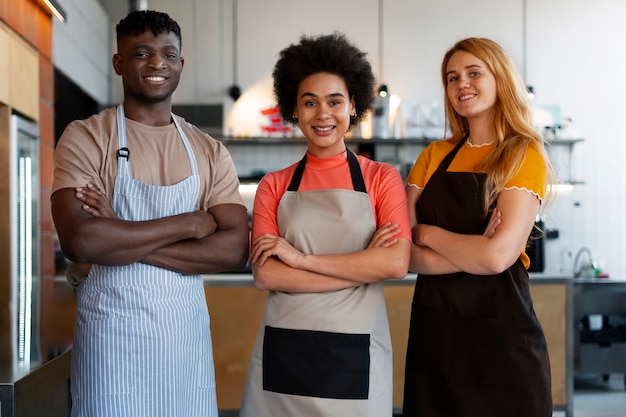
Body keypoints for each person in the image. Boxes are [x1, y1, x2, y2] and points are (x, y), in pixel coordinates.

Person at [51, 10, 249, 417]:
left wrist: (119, 233)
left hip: (183, 342)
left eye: (168, 54)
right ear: (119, 63)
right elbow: (81, 240)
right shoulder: (87, 136)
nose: (157, 63)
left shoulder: (209, 151)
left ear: (180, 64)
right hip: (111, 343)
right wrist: (188, 224)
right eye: (142, 53)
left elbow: (233, 250)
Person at [239, 33, 411, 417]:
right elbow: (266, 275)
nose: (323, 114)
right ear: (294, 111)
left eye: (335, 101)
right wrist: (364, 263)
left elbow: (396, 264)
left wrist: (299, 260)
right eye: (309, 102)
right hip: (286, 352)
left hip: (357, 354)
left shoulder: (382, 179)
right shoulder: (274, 184)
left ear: (353, 106)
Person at [402, 37, 555, 416]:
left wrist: (428, 235)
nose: (461, 84)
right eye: (452, 78)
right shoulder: (433, 156)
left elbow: (498, 256)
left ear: (500, 78)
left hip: (502, 345)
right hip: (436, 341)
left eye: (474, 73)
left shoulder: (523, 153)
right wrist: (474, 251)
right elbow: (402, 253)